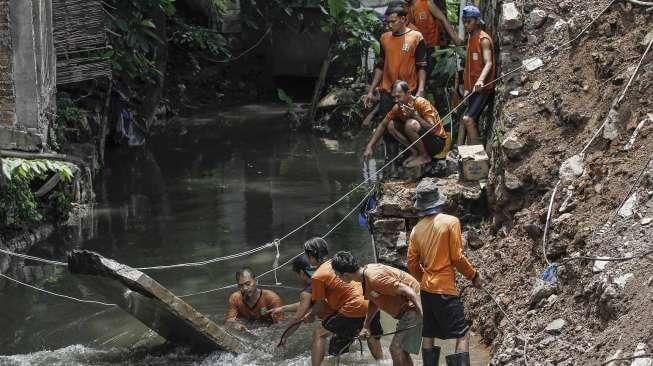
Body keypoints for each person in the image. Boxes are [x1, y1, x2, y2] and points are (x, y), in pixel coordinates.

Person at [406, 180, 483, 366]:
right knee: (462, 334)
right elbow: (457, 257)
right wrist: (473, 276)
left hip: (426, 290)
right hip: (445, 289)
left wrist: (424, 279)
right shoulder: (451, 222)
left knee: (429, 332)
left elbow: (411, 263)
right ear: (438, 202)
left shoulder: (416, 230)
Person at [331, 251, 423, 366]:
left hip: (414, 307)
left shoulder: (374, 278)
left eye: (337, 275)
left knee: (396, 349)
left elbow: (408, 291)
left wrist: (423, 314)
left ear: (345, 275)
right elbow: (374, 301)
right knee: (401, 351)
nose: (338, 278)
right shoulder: (366, 276)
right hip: (409, 309)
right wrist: (365, 326)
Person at [303, 237, 384, 366]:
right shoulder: (341, 263)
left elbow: (320, 304)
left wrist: (311, 315)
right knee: (371, 335)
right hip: (370, 303)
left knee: (319, 333)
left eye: (307, 256)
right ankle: (383, 362)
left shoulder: (318, 276)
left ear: (311, 256)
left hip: (352, 308)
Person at [362, 4, 429, 125]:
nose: (389, 25)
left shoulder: (416, 37)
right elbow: (380, 65)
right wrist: (371, 90)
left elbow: (421, 66)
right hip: (387, 92)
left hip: (408, 91)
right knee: (387, 125)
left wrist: (421, 89)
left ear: (403, 19)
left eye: (393, 21)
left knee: (408, 124)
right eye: (388, 22)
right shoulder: (384, 38)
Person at [364, 80, 447, 167]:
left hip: (436, 142)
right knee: (390, 125)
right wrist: (369, 146)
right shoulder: (397, 107)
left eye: (398, 97)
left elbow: (433, 129)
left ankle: (424, 156)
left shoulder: (421, 103)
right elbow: (383, 124)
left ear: (408, 93)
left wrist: (415, 116)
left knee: (410, 124)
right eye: (394, 98)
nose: (396, 100)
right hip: (421, 140)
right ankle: (414, 152)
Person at [457, 5, 495, 146]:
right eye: (464, 21)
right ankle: (460, 152)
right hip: (473, 88)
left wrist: (480, 80)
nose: (466, 25)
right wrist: (467, 88)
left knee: (468, 119)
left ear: (477, 21)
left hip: (483, 88)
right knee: (464, 119)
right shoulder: (471, 37)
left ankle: (477, 158)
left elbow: (489, 63)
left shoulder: (483, 39)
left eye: (469, 21)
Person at [269, 255, 314, 321]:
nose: (296, 278)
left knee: (319, 331)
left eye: (296, 274)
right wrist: (282, 309)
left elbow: (296, 320)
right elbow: (304, 305)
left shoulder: (307, 293)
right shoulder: (320, 279)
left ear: (301, 273)